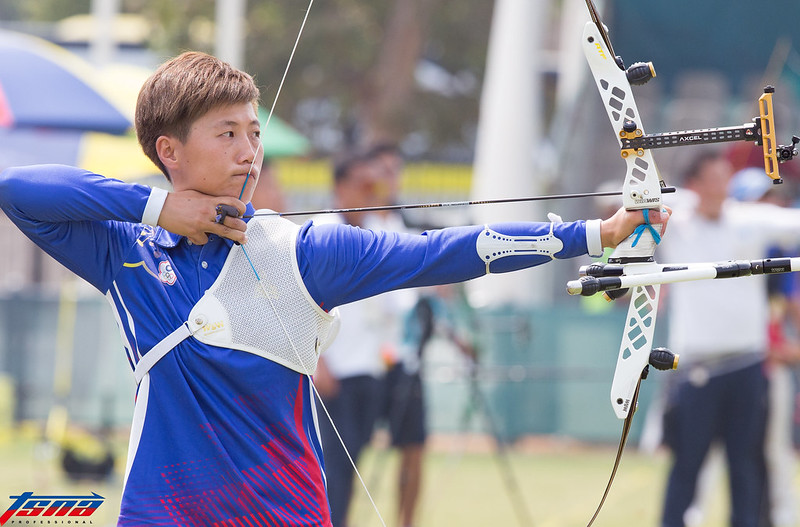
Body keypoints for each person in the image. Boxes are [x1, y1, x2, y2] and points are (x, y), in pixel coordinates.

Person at [0, 51, 668, 527]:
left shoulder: (303, 251)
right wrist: (159, 210)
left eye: (253, 133)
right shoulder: (127, 248)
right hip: (161, 512)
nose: (248, 153)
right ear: (169, 151)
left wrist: (594, 233)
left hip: (282, 514)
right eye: (227, 133)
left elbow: (443, 252)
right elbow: (19, 190)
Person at [658, 151, 800, 527]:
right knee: (687, 464)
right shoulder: (677, 223)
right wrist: (685, 198)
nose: (725, 187)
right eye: (715, 179)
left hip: (747, 367)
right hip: (696, 369)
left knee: (746, 468)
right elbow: (643, 201)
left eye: (727, 178)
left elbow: (792, 223)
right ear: (696, 185)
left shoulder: (747, 221)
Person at [311, 150, 399, 527]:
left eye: (374, 185)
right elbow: (299, 305)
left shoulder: (377, 234)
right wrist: (317, 362)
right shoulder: (317, 235)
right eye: (362, 185)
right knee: (333, 470)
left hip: (369, 369)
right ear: (340, 188)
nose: (370, 192)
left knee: (353, 463)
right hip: (334, 373)